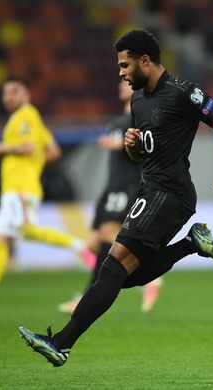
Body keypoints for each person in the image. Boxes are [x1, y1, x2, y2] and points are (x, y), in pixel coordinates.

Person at [18, 29, 213, 367]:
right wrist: (132, 147)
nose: (120, 73)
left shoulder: (185, 93)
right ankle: (192, 243)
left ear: (145, 61)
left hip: (170, 193)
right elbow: (139, 157)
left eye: (125, 65)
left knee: (112, 268)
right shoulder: (138, 101)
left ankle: (61, 343)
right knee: (124, 277)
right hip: (149, 190)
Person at [0, 77, 95, 311]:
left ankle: (81, 247)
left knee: (26, 231)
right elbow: (53, 151)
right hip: (15, 189)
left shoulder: (25, 116)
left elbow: (29, 148)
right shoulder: (32, 119)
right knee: (0, 239)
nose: (8, 97)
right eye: (5, 93)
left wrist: (0, 148)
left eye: (14, 91)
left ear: (27, 94)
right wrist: (35, 163)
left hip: (20, 189)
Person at [58, 80, 163, 315]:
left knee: (110, 235)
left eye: (125, 83)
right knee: (94, 242)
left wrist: (119, 145)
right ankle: (143, 278)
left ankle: (92, 296)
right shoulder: (119, 120)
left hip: (128, 184)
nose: (120, 86)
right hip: (112, 185)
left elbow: (147, 148)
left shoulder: (140, 119)